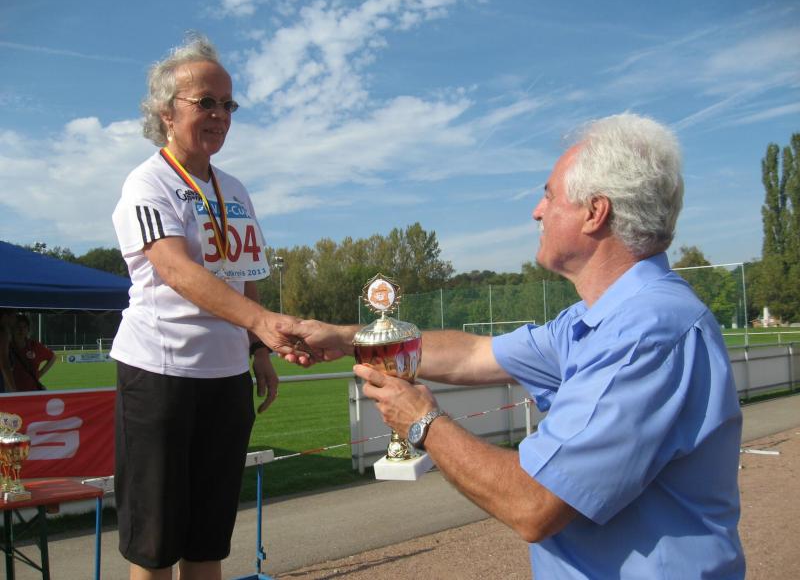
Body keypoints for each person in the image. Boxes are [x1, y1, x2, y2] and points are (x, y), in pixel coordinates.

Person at [284, 113, 746, 578]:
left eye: (549, 195)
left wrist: (423, 422)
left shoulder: (645, 332)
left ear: (595, 212)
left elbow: (534, 503)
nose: (537, 212)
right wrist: (351, 338)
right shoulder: (595, 320)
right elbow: (473, 355)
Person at [110, 33, 305, 580]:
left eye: (228, 104)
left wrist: (258, 348)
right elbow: (176, 270)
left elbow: (245, 273)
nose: (220, 115)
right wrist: (263, 323)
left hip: (226, 377)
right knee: (155, 545)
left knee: (207, 541)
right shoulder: (146, 183)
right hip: (161, 375)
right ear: (166, 112)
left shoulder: (234, 188)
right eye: (206, 102)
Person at [8, 314, 55, 391]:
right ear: (12, 329)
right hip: (11, 393)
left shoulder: (34, 346)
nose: (21, 330)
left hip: (32, 392)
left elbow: (52, 357)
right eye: (18, 326)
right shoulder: (5, 347)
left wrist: (39, 374)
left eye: (24, 327)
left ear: (28, 329)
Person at [0, 308, 16, 392]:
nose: (15, 320)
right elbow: (4, 363)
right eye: (13, 316)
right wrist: (13, 389)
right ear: (5, 316)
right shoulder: (3, 333)